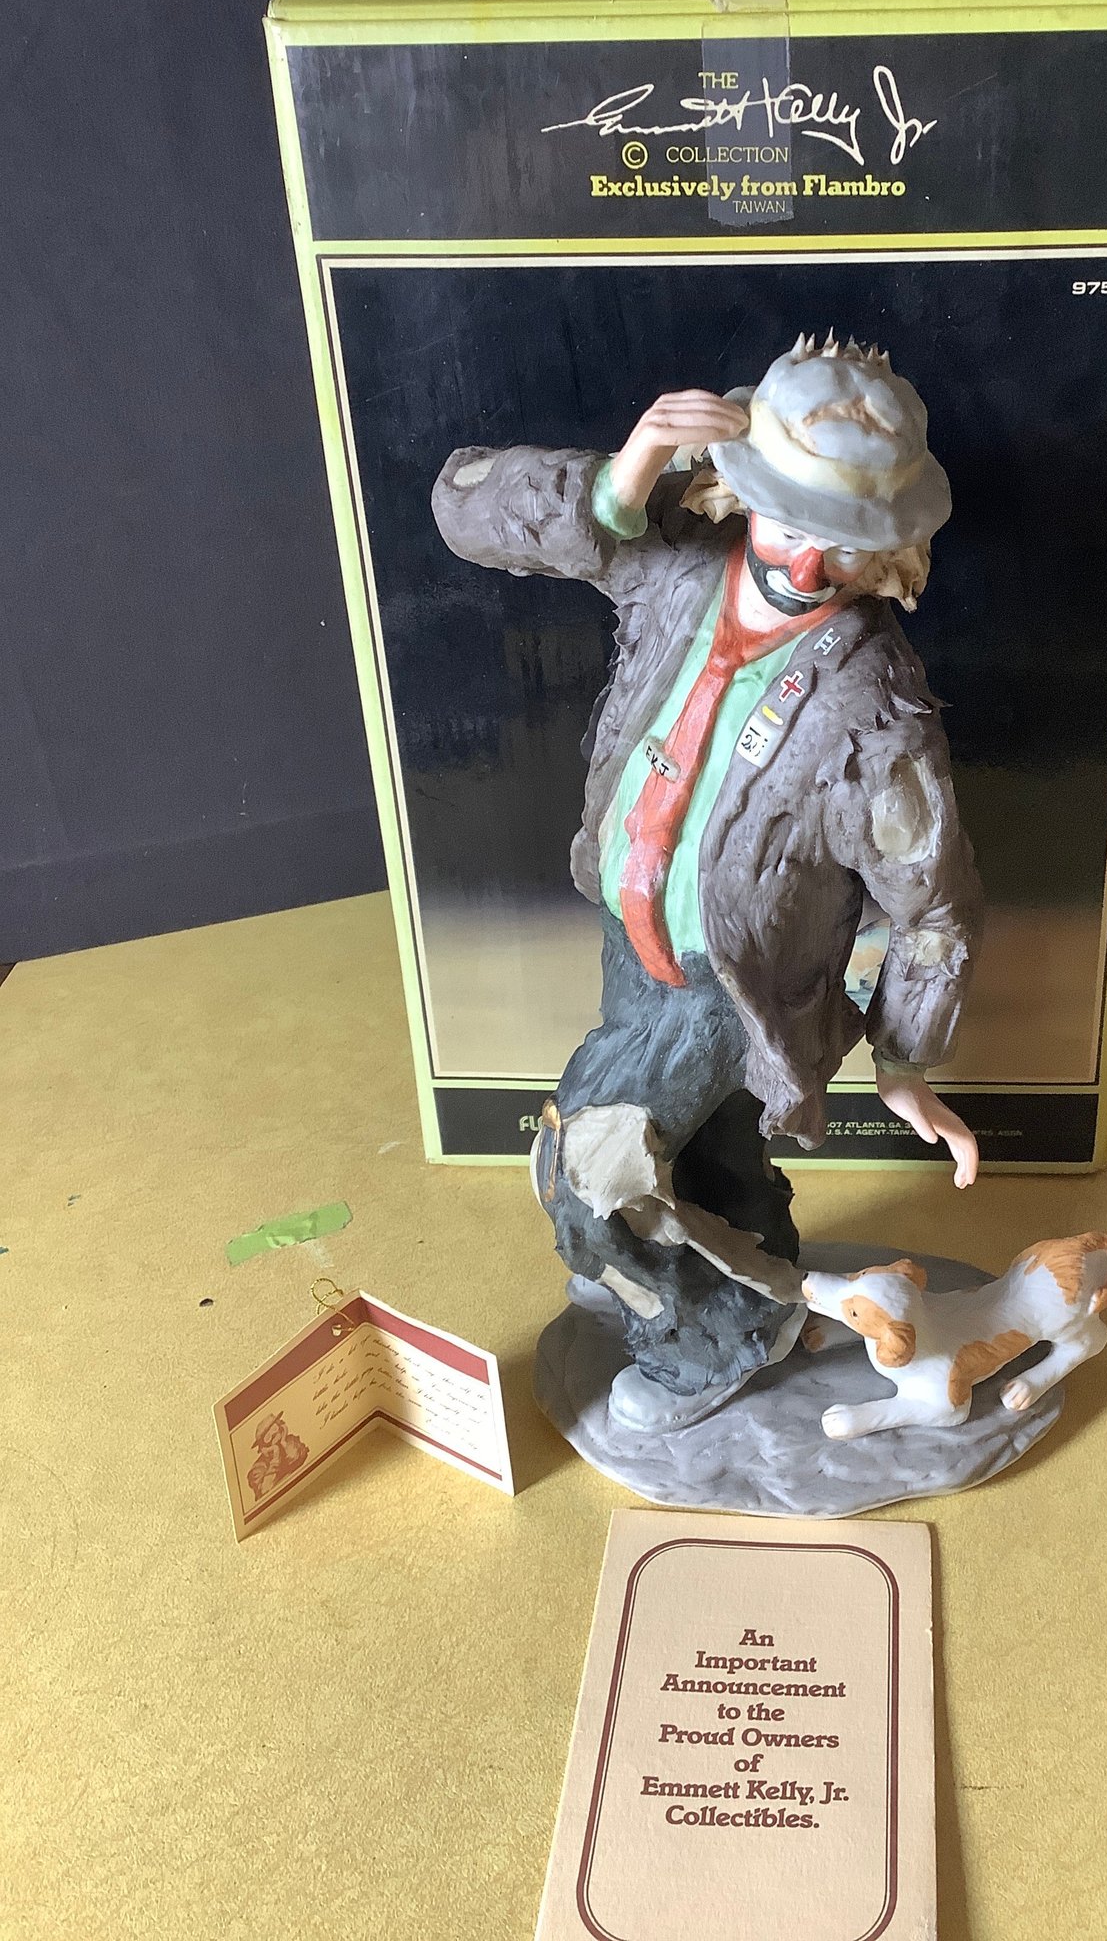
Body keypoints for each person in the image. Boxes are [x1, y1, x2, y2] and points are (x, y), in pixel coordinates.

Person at [432, 333, 983, 1431]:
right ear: (742, 491)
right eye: (790, 524)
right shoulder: (674, 562)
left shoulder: (876, 707)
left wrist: (906, 1059)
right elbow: (464, 507)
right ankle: (742, 1273)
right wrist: (622, 474)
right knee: (708, 1153)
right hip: (628, 943)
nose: (807, 568)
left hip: (732, 988)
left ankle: (708, 1340)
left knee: (586, 1171)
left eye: (841, 544)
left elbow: (934, 905)